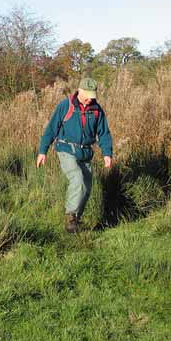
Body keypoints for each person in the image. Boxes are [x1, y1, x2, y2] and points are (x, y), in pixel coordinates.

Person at [36, 77, 113, 233]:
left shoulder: (97, 110)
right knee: (77, 178)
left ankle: (75, 221)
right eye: (88, 96)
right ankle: (70, 217)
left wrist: (107, 154)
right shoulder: (66, 106)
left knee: (86, 187)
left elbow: (104, 133)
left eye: (93, 96)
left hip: (85, 152)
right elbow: (51, 128)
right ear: (80, 91)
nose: (90, 99)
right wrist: (43, 151)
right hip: (66, 149)